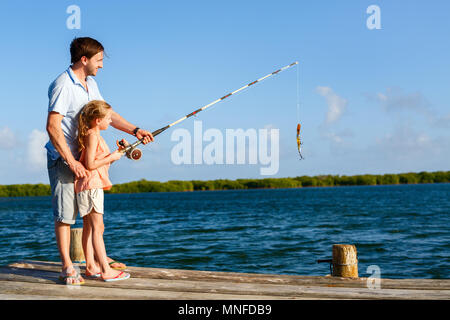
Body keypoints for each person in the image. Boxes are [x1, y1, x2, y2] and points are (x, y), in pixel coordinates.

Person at [46, 37, 154, 285]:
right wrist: (73, 163)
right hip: (65, 159)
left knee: (88, 217)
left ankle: (93, 264)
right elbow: (52, 127)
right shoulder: (63, 85)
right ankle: (67, 267)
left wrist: (135, 130)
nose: (102, 65)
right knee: (64, 215)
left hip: (86, 159)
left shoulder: (91, 84)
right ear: (85, 59)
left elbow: (106, 113)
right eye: (99, 60)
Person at [75, 100, 130, 281]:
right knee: (98, 228)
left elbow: (97, 162)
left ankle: (91, 267)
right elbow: (90, 164)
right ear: (97, 120)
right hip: (91, 185)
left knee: (90, 228)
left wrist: (116, 154)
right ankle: (106, 270)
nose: (110, 121)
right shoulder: (92, 135)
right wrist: (112, 157)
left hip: (89, 184)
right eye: (108, 118)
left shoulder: (94, 135)